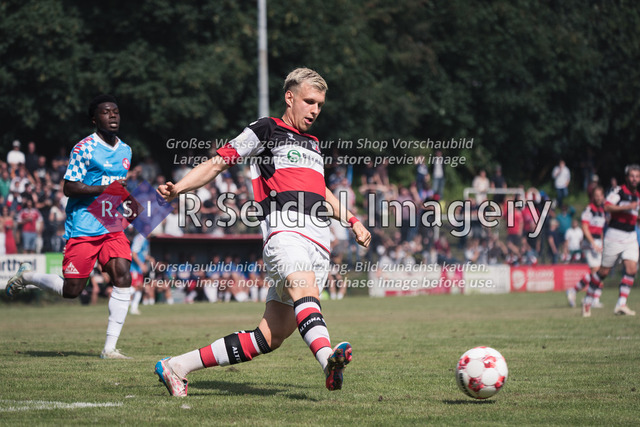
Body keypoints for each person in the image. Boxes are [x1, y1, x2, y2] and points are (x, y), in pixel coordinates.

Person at [154, 68, 371, 397]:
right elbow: (219, 161)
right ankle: (328, 361)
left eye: (320, 104)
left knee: (269, 337)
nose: (315, 110)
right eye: (309, 101)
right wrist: (179, 188)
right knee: (305, 289)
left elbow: (321, 190)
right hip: (287, 233)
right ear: (290, 97)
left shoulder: (313, 143)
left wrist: (353, 220)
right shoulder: (267, 128)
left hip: (319, 240)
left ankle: (177, 366)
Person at [5, 94, 135, 358]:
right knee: (72, 290)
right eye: (106, 112)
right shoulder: (83, 148)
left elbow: (117, 189)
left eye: (116, 111)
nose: (112, 115)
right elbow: (70, 187)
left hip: (111, 224)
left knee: (123, 277)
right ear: (94, 119)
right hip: (84, 226)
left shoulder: (126, 150)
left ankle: (109, 349)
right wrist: (105, 188)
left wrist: (137, 207)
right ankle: (28, 276)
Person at [583, 165, 640, 317]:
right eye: (632, 176)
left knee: (632, 269)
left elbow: (633, 215)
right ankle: (588, 299)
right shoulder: (619, 191)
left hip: (630, 236)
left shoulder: (637, 196)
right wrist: (627, 207)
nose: (634, 179)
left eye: (637, 176)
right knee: (603, 272)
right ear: (627, 177)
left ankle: (621, 304)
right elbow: (607, 207)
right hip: (614, 235)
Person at [567, 186, 606, 308]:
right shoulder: (589, 210)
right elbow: (585, 228)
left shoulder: (602, 210)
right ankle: (593, 299)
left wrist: (602, 242)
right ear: (593, 197)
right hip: (589, 244)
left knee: (599, 273)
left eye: (600, 195)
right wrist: (593, 243)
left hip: (598, 243)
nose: (598, 198)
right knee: (597, 272)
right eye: (596, 195)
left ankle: (574, 290)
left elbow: (600, 230)